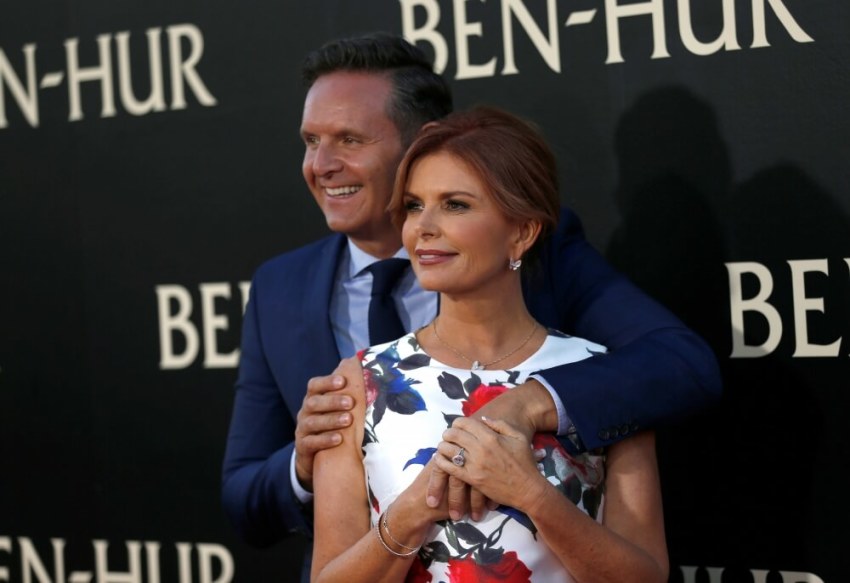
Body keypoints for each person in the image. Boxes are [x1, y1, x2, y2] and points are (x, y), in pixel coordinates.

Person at [220, 32, 718, 573]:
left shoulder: (556, 275)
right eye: (311, 141)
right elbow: (244, 497)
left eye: (349, 140)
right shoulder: (284, 292)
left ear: (419, 142)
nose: (321, 164)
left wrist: (529, 405)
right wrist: (306, 459)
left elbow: (677, 364)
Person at [310, 106, 668, 583]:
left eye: (455, 204)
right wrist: (415, 509)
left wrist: (530, 494)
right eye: (415, 205)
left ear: (522, 232)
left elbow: (646, 577)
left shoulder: (600, 379)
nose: (423, 227)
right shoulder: (360, 384)